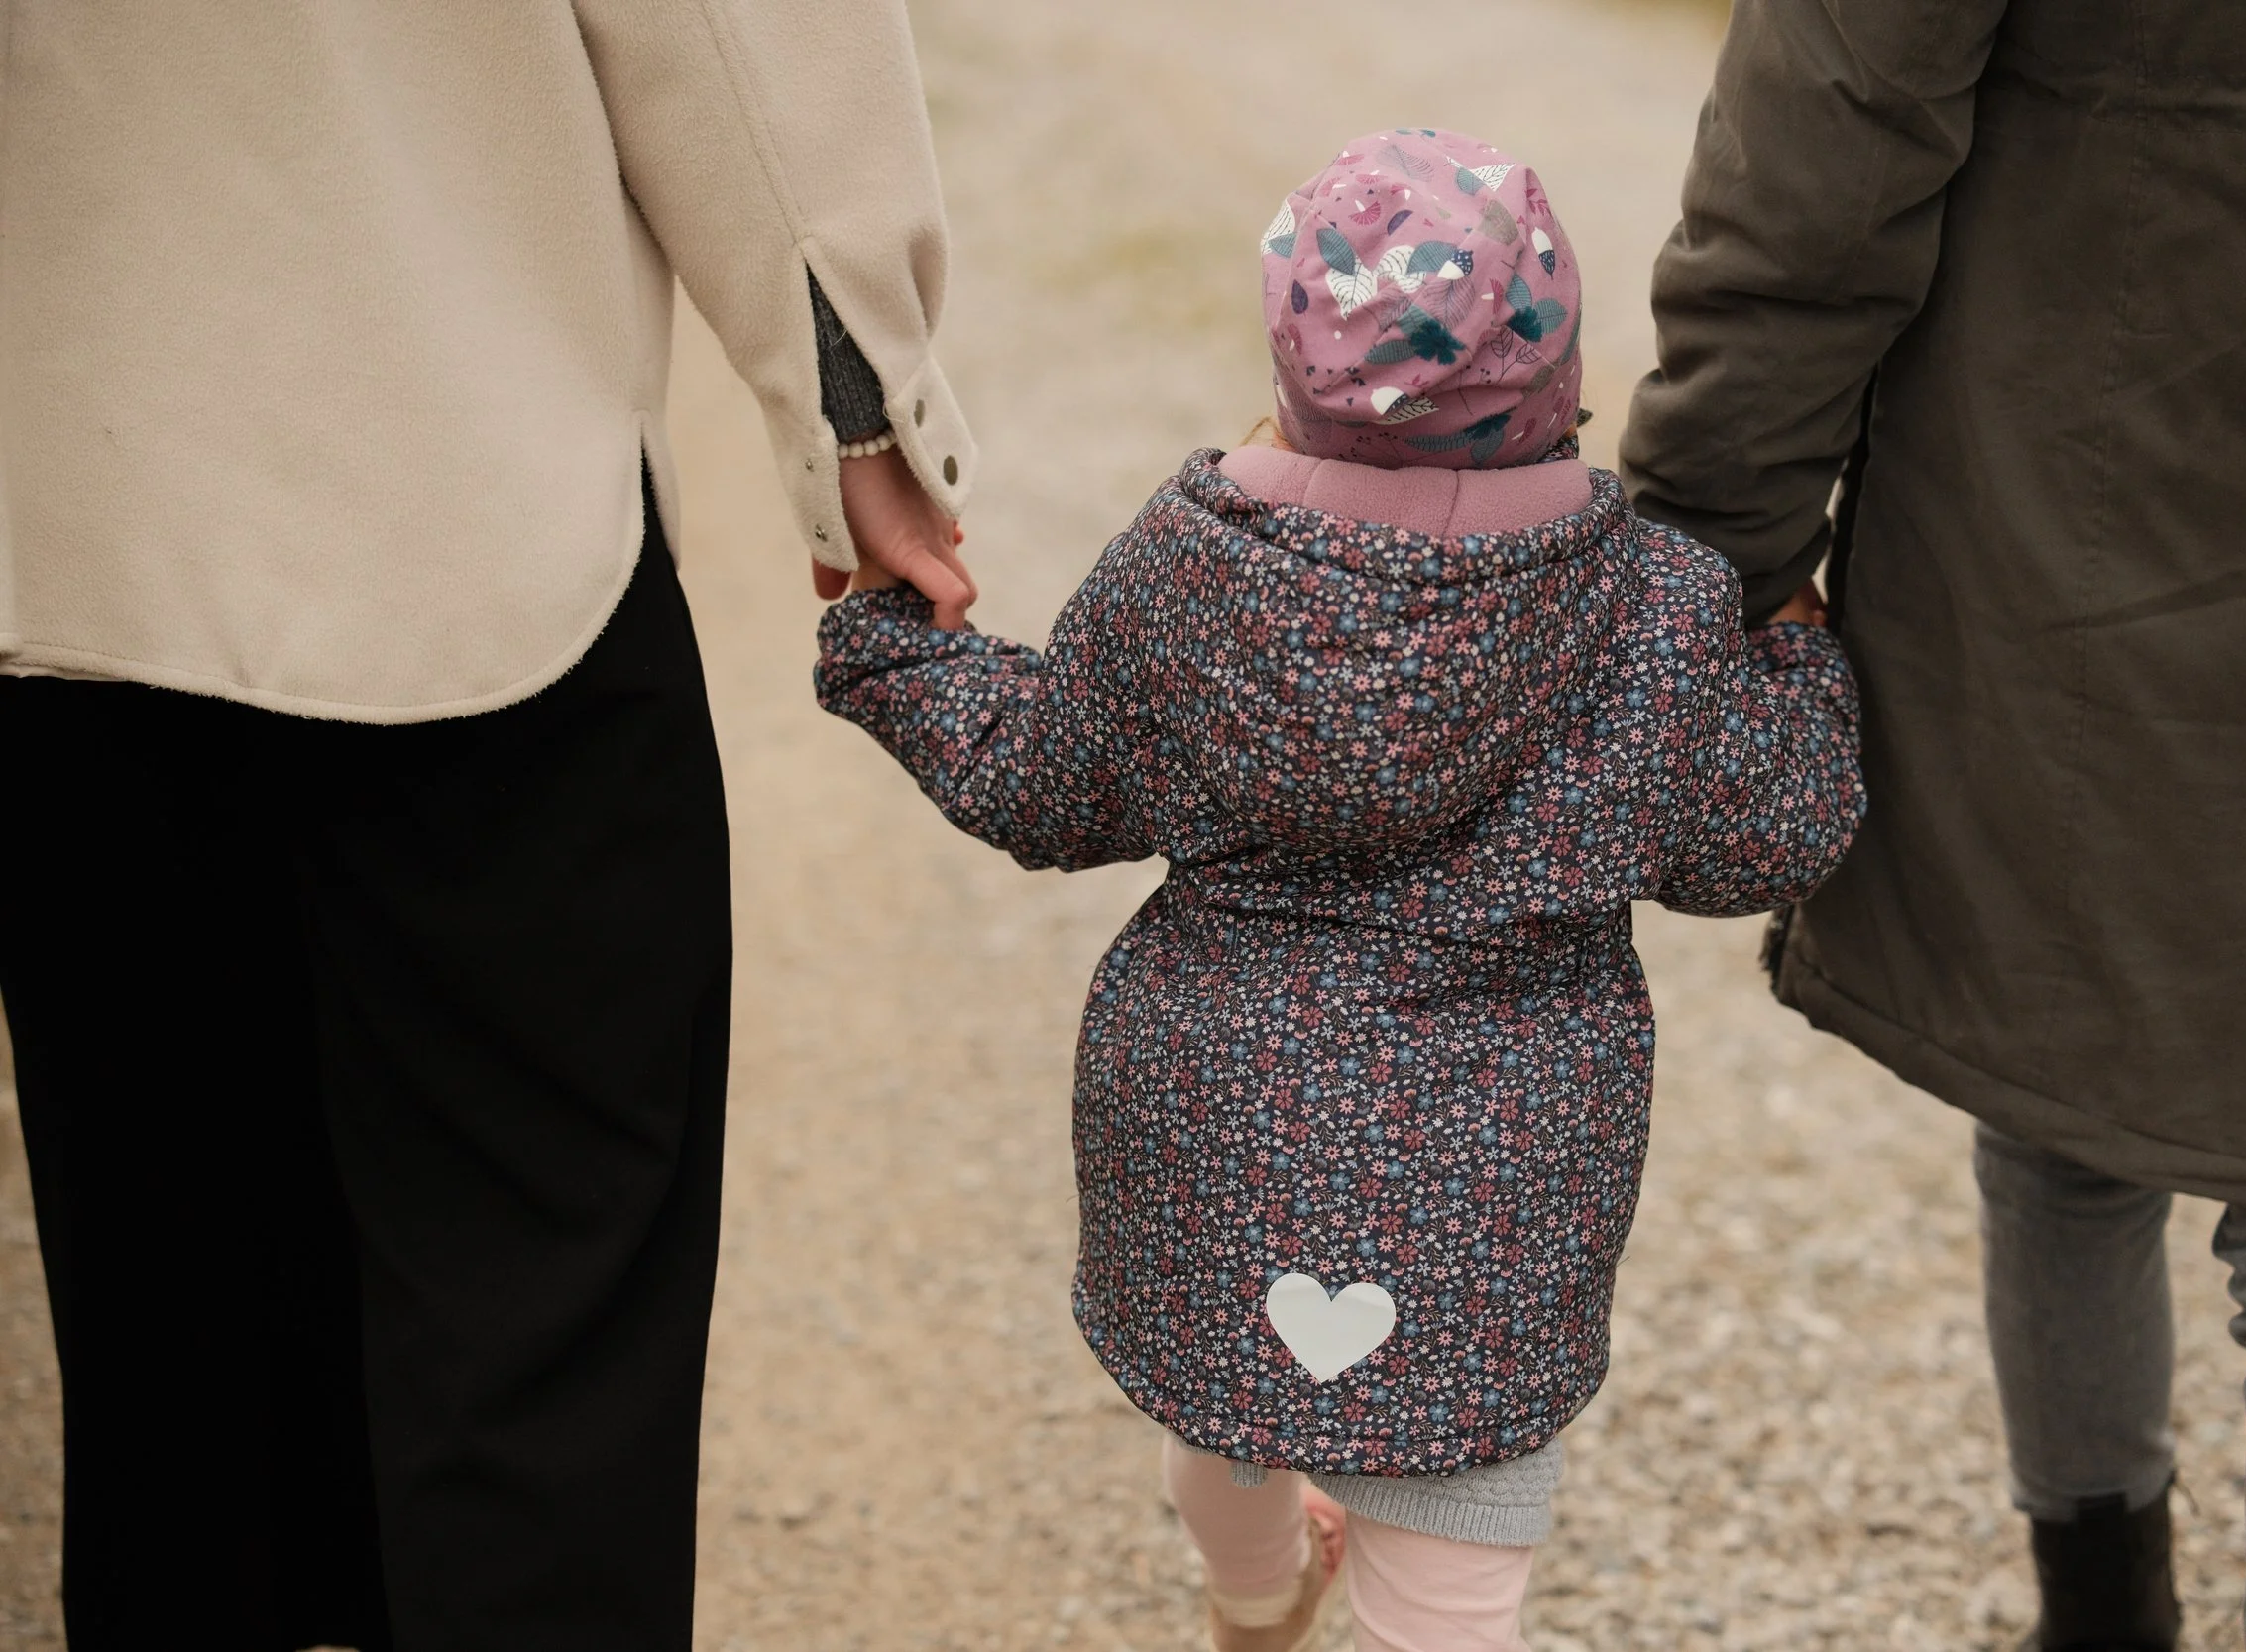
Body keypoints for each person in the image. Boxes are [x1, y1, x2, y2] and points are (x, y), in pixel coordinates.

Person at [812, 128, 1863, 1652]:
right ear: (1563, 370)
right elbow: (1775, 831)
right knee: (1456, 1555)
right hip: (1503, 1176)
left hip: (1210, 1125)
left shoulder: (1189, 572)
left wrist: (893, 650)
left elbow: (1039, 778)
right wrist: (1799, 650)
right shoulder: (1659, 606)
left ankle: (1252, 1595)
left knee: (1224, 1414)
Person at [0, 5, 973, 1647]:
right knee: (538, 1344)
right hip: (467, 511)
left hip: (65, 550)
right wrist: (856, 402)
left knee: (170, 1340)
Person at [1620, 2, 2246, 1647]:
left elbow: (1827, 141)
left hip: (2053, 520)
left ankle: (2102, 1622)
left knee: (2075, 1095)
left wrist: (1717, 532)